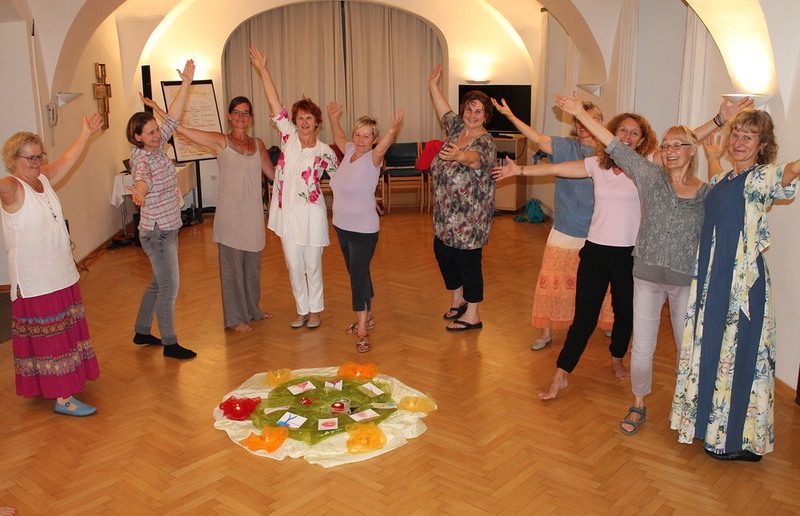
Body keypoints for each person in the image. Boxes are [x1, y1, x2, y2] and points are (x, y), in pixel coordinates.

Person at [494, 111, 657, 398]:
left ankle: (617, 357)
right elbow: (557, 169)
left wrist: (718, 121)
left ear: (643, 141)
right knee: (584, 318)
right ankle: (561, 374)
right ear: (612, 135)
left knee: (625, 315)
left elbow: (681, 145)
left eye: (634, 133)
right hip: (594, 251)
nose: (627, 137)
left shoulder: (646, 168)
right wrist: (519, 171)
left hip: (630, 255)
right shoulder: (597, 164)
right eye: (622, 131)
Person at [671, 109, 800, 461]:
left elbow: (789, 171)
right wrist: (713, 159)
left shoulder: (761, 178)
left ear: (763, 144)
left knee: (738, 354)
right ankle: (707, 427)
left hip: (740, 284)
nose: (739, 142)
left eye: (749, 136)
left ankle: (737, 442)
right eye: (737, 134)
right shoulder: (726, 178)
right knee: (713, 347)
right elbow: (723, 196)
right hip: (714, 279)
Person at [144, 94, 276, 332]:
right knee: (232, 268)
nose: (240, 117)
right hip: (230, 216)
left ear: (251, 118)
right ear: (228, 116)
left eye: (245, 113)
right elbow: (182, 130)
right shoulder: (220, 141)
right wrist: (158, 110)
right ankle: (236, 317)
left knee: (252, 267)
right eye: (236, 112)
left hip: (253, 216)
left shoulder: (258, 144)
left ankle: (252, 309)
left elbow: (274, 175)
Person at [1, 113, 103, 416]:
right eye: (30, 158)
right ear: (14, 159)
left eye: (39, 155)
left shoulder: (43, 178)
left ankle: (52, 384)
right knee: (51, 339)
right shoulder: (11, 187)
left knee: (63, 332)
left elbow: (69, 159)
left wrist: (85, 133)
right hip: (36, 280)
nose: (36, 162)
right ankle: (63, 398)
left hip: (60, 273)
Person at [491, 98, 614, 350]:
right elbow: (536, 138)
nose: (582, 126)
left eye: (587, 120)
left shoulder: (611, 153)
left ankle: (608, 322)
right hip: (566, 227)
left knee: (602, 281)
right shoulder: (565, 146)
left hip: (599, 230)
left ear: (599, 122)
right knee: (553, 279)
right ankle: (546, 331)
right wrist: (511, 116)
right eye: (577, 120)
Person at [250, 46, 339, 329]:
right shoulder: (287, 137)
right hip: (287, 215)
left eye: (308, 118)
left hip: (312, 216)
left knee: (312, 267)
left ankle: (315, 311)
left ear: (317, 122)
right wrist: (263, 69)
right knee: (293, 266)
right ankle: (302, 309)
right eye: (299, 117)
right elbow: (274, 101)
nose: (303, 122)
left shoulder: (326, 152)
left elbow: (341, 181)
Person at [125, 59, 197, 359]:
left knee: (158, 283)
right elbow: (141, 179)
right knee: (170, 287)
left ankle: (142, 332)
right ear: (138, 137)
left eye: (156, 130)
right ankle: (170, 343)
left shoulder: (156, 147)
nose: (157, 135)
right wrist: (139, 194)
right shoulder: (143, 158)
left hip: (166, 228)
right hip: (157, 234)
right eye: (151, 133)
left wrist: (186, 83)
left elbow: (174, 118)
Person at [327, 102, 404, 352]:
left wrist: (393, 129)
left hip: (363, 231)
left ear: (374, 139)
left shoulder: (373, 159)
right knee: (358, 274)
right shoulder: (349, 151)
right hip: (341, 226)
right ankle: (368, 316)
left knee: (358, 278)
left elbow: (383, 148)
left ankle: (362, 330)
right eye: (358, 134)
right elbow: (338, 136)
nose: (361, 139)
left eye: (367, 136)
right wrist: (333, 117)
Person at [427, 65, 497, 332]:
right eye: (469, 108)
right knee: (443, 253)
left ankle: (473, 315)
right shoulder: (456, 130)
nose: (472, 114)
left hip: (470, 218)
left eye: (478, 110)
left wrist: (459, 156)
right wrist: (433, 85)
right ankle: (458, 299)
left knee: (469, 264)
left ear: (486, 115)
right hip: (445, 213)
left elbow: (475, 158)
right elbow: (444, 110)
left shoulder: (485, 141)